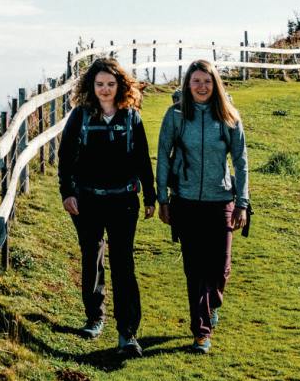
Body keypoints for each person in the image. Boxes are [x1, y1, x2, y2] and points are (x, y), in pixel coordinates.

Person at [57, 55, 155, 357]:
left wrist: (150, 195)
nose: (105, 89)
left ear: (120, 85)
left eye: (110, 84)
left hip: (124, 200)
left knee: (124, 263)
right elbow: (65, 157)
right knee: (92, 256)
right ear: (91, 85)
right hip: (87, 199)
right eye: (99, 84)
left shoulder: (130, 117)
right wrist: (67, 193)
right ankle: (95, 317)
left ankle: (127, 332)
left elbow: (142, 157)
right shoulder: (80, 116)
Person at [155, 58, 250, 354]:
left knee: (220, 269)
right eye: (196, 81)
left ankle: (210, 307)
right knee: (195, 269)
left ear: (215, 84)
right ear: (188, 84)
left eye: (207, 81)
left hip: (221, 200)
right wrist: (163, 198)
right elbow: (163, 154)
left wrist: (242, 202)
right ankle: (201, 333)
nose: (201, 86)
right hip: (186, 202)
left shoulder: (229, 117)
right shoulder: (176, 116)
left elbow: (242, 163)